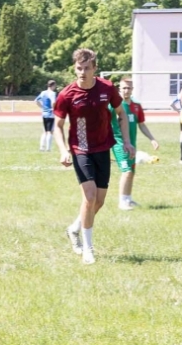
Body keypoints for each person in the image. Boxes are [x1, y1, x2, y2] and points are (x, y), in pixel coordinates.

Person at [55, 47, 129, 265]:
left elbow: (121, 114)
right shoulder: (67, 94)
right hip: (81, 149)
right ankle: (88, 249)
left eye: (87, 68)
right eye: (79, 68)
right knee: (89, 196)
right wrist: (63, 149)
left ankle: (74, 229)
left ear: (95, 69)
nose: (82, 72)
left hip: (102, 148)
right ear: (74, 68)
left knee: (99, 201)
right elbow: (57, 126)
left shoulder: (107, 88)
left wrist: (126, 141)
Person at [111, 75, 157, 210]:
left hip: (132, 143)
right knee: (126, 171)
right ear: (119, 89)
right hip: (119, 143)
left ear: (132, 89)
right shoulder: (114, 105)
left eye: (129, 88)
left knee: (131, 171)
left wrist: (152, 139)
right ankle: (121, 202)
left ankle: (128, 199)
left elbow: (141, 124)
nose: (126, 90)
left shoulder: (136, 106)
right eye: (124, 88)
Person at [35, 81, 58, 152]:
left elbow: (36, 100)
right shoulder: (52, 93)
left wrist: (42, 107)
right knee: (50, 131)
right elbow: (53, 102)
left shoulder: (43, 93)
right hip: (50, 114)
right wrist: (53, 109)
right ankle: (48, 148)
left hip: (44, 113)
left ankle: (42, 147)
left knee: (45, 131)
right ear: (53, 85)